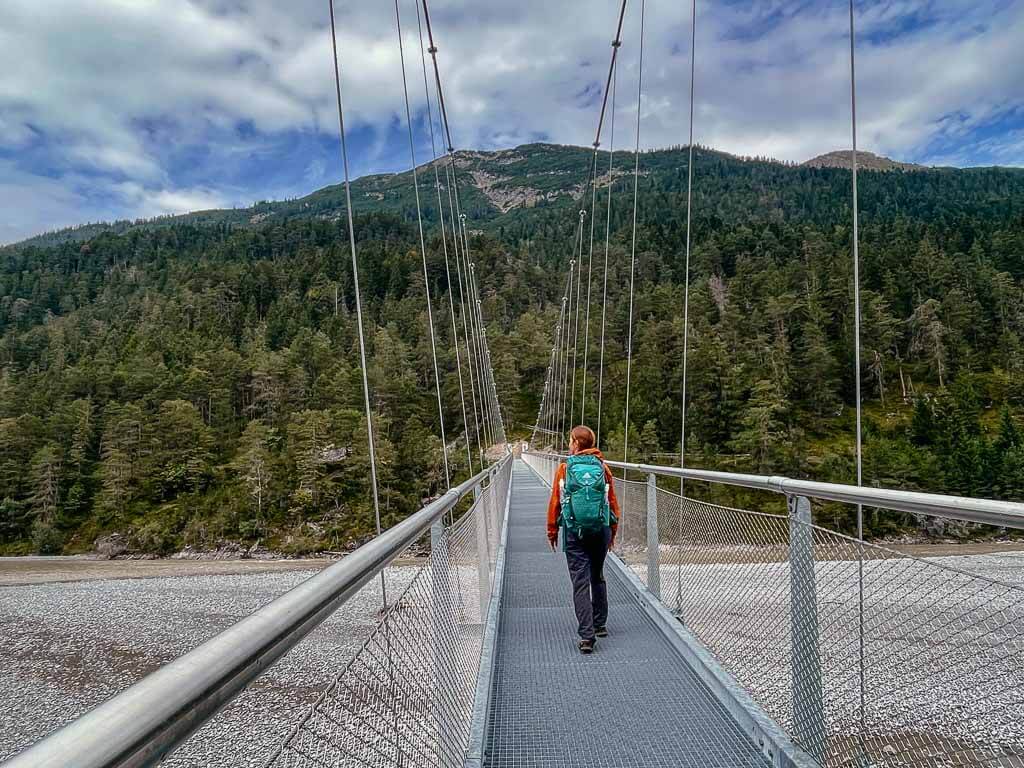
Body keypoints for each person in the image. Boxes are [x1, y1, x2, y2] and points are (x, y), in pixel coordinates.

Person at [546, 425, 621, 654]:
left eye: (570, 440)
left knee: (580, 581)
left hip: (574, 531)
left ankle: (587, 637)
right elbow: (612, 503)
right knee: (597, 575)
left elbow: (555, 502)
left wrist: (552, 530)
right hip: (600, 529)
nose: (569, 444)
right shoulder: (603, 467)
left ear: (576, 444)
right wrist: (612, 532)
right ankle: (600, 624)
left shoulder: (564, 468)